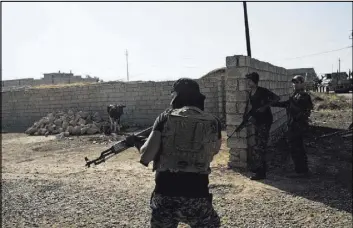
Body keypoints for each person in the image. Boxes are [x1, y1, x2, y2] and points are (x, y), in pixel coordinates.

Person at [126, 78, 222, 228]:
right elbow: (214, 150)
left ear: (177, 96)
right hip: (198, 196)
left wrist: (138, 143)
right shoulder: (213, 122)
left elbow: (146, 156)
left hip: (165, 194)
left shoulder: (165, 118)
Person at [240, 72, 280, 180]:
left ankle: (261, 173)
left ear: (254, 81)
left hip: (265, 121)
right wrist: (248, 117)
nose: (247, 82)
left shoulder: (262, 91)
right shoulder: (250, 92)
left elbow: (277, 98)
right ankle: (259, 167)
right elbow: (253, 107)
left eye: (249, 80)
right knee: (258, 144)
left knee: (261, 146)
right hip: (257, 121)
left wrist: (265, 107)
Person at [272, 75, 314, 178]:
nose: (294, 84)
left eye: (297, 82)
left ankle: (301, 171)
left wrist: (296, 119)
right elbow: (287, 104)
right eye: (294, 82)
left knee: (297, 148)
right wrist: (273, 103)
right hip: (293, 125)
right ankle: (301, 170)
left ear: (302, 83)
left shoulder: (304, 96)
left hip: (297, 126)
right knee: (296, 148)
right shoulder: (295, 95)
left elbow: (305, 111)